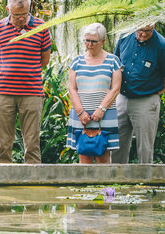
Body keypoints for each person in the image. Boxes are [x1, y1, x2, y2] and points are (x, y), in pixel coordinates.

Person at [0, 0, 51, 164]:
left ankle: (32, 181)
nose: (21, 19)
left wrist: (27, 71)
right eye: (17, 15)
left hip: (31, 91)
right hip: (4, 92)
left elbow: (45, 59)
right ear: (8, 10)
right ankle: (3, 178)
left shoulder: (41, 27)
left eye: (24, 14)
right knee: (3, 142)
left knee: (32, 142)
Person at [66, 23, 122, 164]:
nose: (89, 44)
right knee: (84, 156)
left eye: (93, 41)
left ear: (103, 41)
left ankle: (105, 187)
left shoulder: (113, 61)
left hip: (105, 114)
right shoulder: (77, 62)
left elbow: (115, 88)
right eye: (87, 40)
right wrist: (80, 112)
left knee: (103, 155)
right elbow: (72, 88)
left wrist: (101, 109)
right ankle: (84, 186)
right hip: (81, 115)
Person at [112, 23, 165, 163]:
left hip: (146, 99)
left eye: (148, 31)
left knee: (145, 146)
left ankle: (145, 182)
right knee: (116, 143)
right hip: (122, 97)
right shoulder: (124, 36)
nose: (144, 34)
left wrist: (157, 92)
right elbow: (115, 63)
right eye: (141, 30)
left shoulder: (162, 45)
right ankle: (115, 180)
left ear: (154, 27)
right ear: (136, 26)